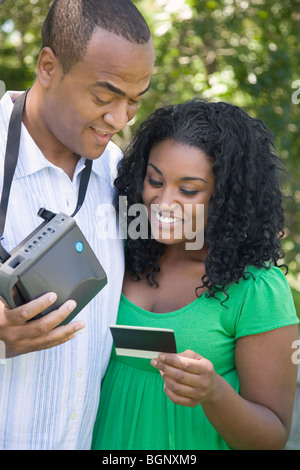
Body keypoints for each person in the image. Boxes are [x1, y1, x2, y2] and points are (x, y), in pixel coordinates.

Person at [91, 98, 299, 450]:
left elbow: (272, 438)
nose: (163, 202)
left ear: (226, 197)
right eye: (154, 180)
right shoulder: (121, 252)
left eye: (188, 190)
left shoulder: (256, 289)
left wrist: (214, 392)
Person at [0, 0, 155, 450]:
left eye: (133, 101)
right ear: (48, 66)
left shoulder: (119, 170)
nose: (119, 119)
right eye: (104, 97)